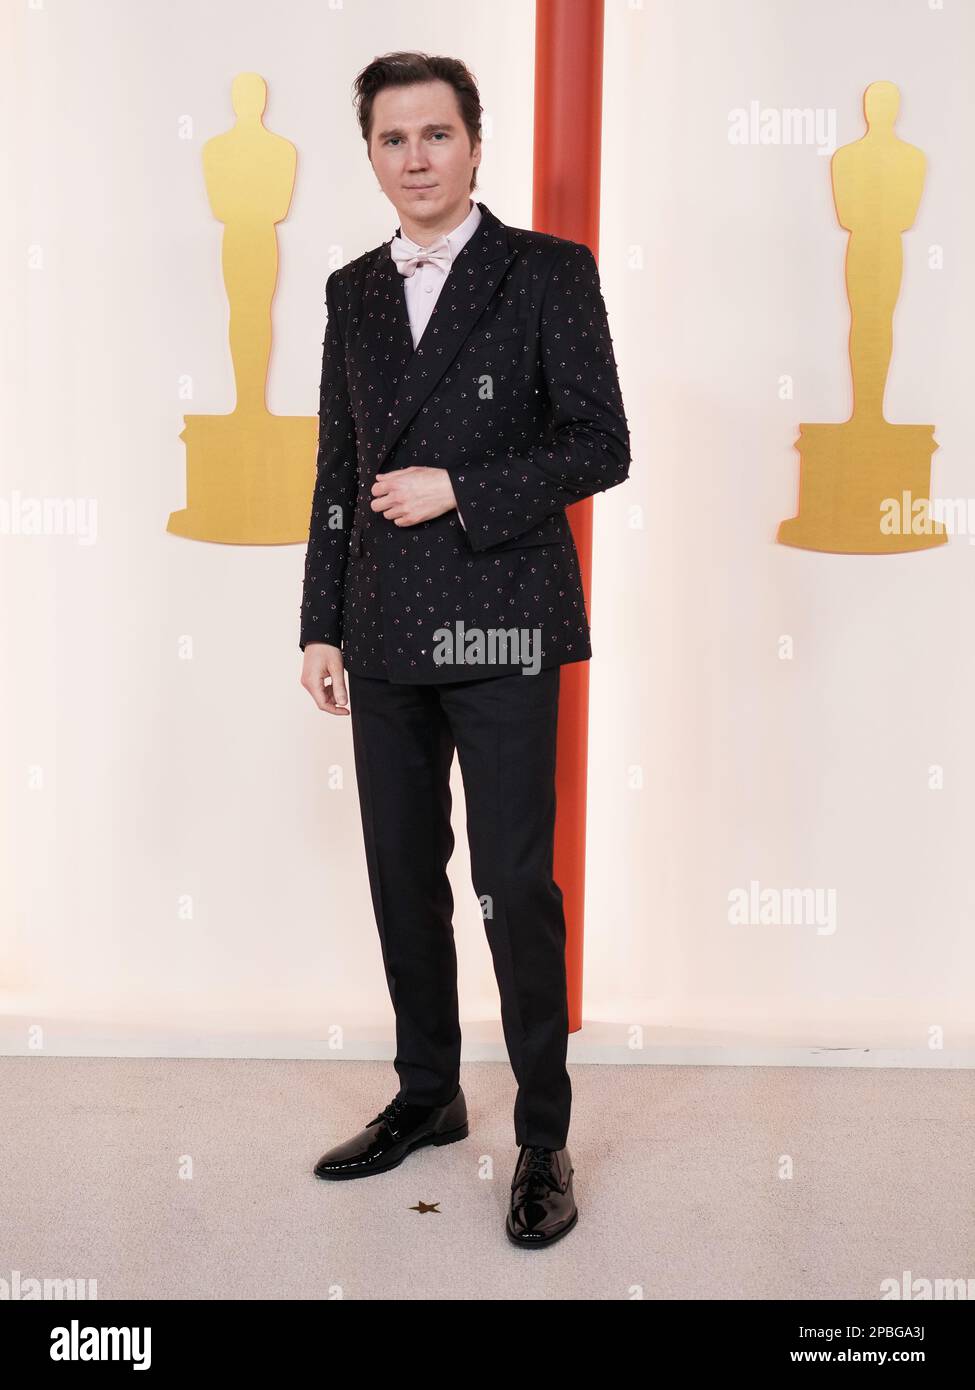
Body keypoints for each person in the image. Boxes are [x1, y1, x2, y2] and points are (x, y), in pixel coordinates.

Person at [299, 51, 630, 1248]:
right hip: (382, 627)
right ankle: (429, 1094)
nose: (417, 159)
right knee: (401, 875)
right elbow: (337, 469)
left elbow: (602, 441)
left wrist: (460, 488)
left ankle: (542, 1132)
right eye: (394, 140)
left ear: (475, 145)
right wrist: (320, 622)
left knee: (513, 885)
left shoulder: (546, 272)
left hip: (502, 619)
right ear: (374, 156)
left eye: (436, 135)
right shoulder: (349, 289)